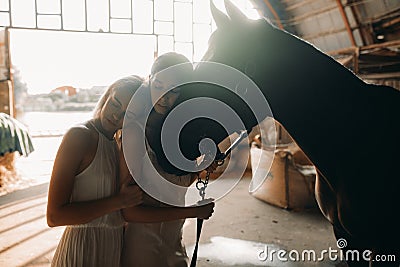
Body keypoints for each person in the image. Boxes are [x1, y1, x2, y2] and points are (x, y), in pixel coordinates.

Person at [121, 52, 216, 267]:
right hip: (142, 246)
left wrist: (199, 170)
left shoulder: (180, 133)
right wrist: (193, 212)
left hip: (174, 240)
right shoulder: (135, 132)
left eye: (174, 91)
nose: (164, 97)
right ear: (149, 80)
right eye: (159, 85)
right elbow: (129, 211)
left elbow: (171, 188)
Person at [46, 75, 145, 267]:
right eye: (116, 103)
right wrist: (119, 201)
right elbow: (54, 216)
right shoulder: (79, 136)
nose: (117, 116)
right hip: (82, 250)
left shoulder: (120, 144)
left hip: (113, 248)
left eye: (127, 113)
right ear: (107, 95)